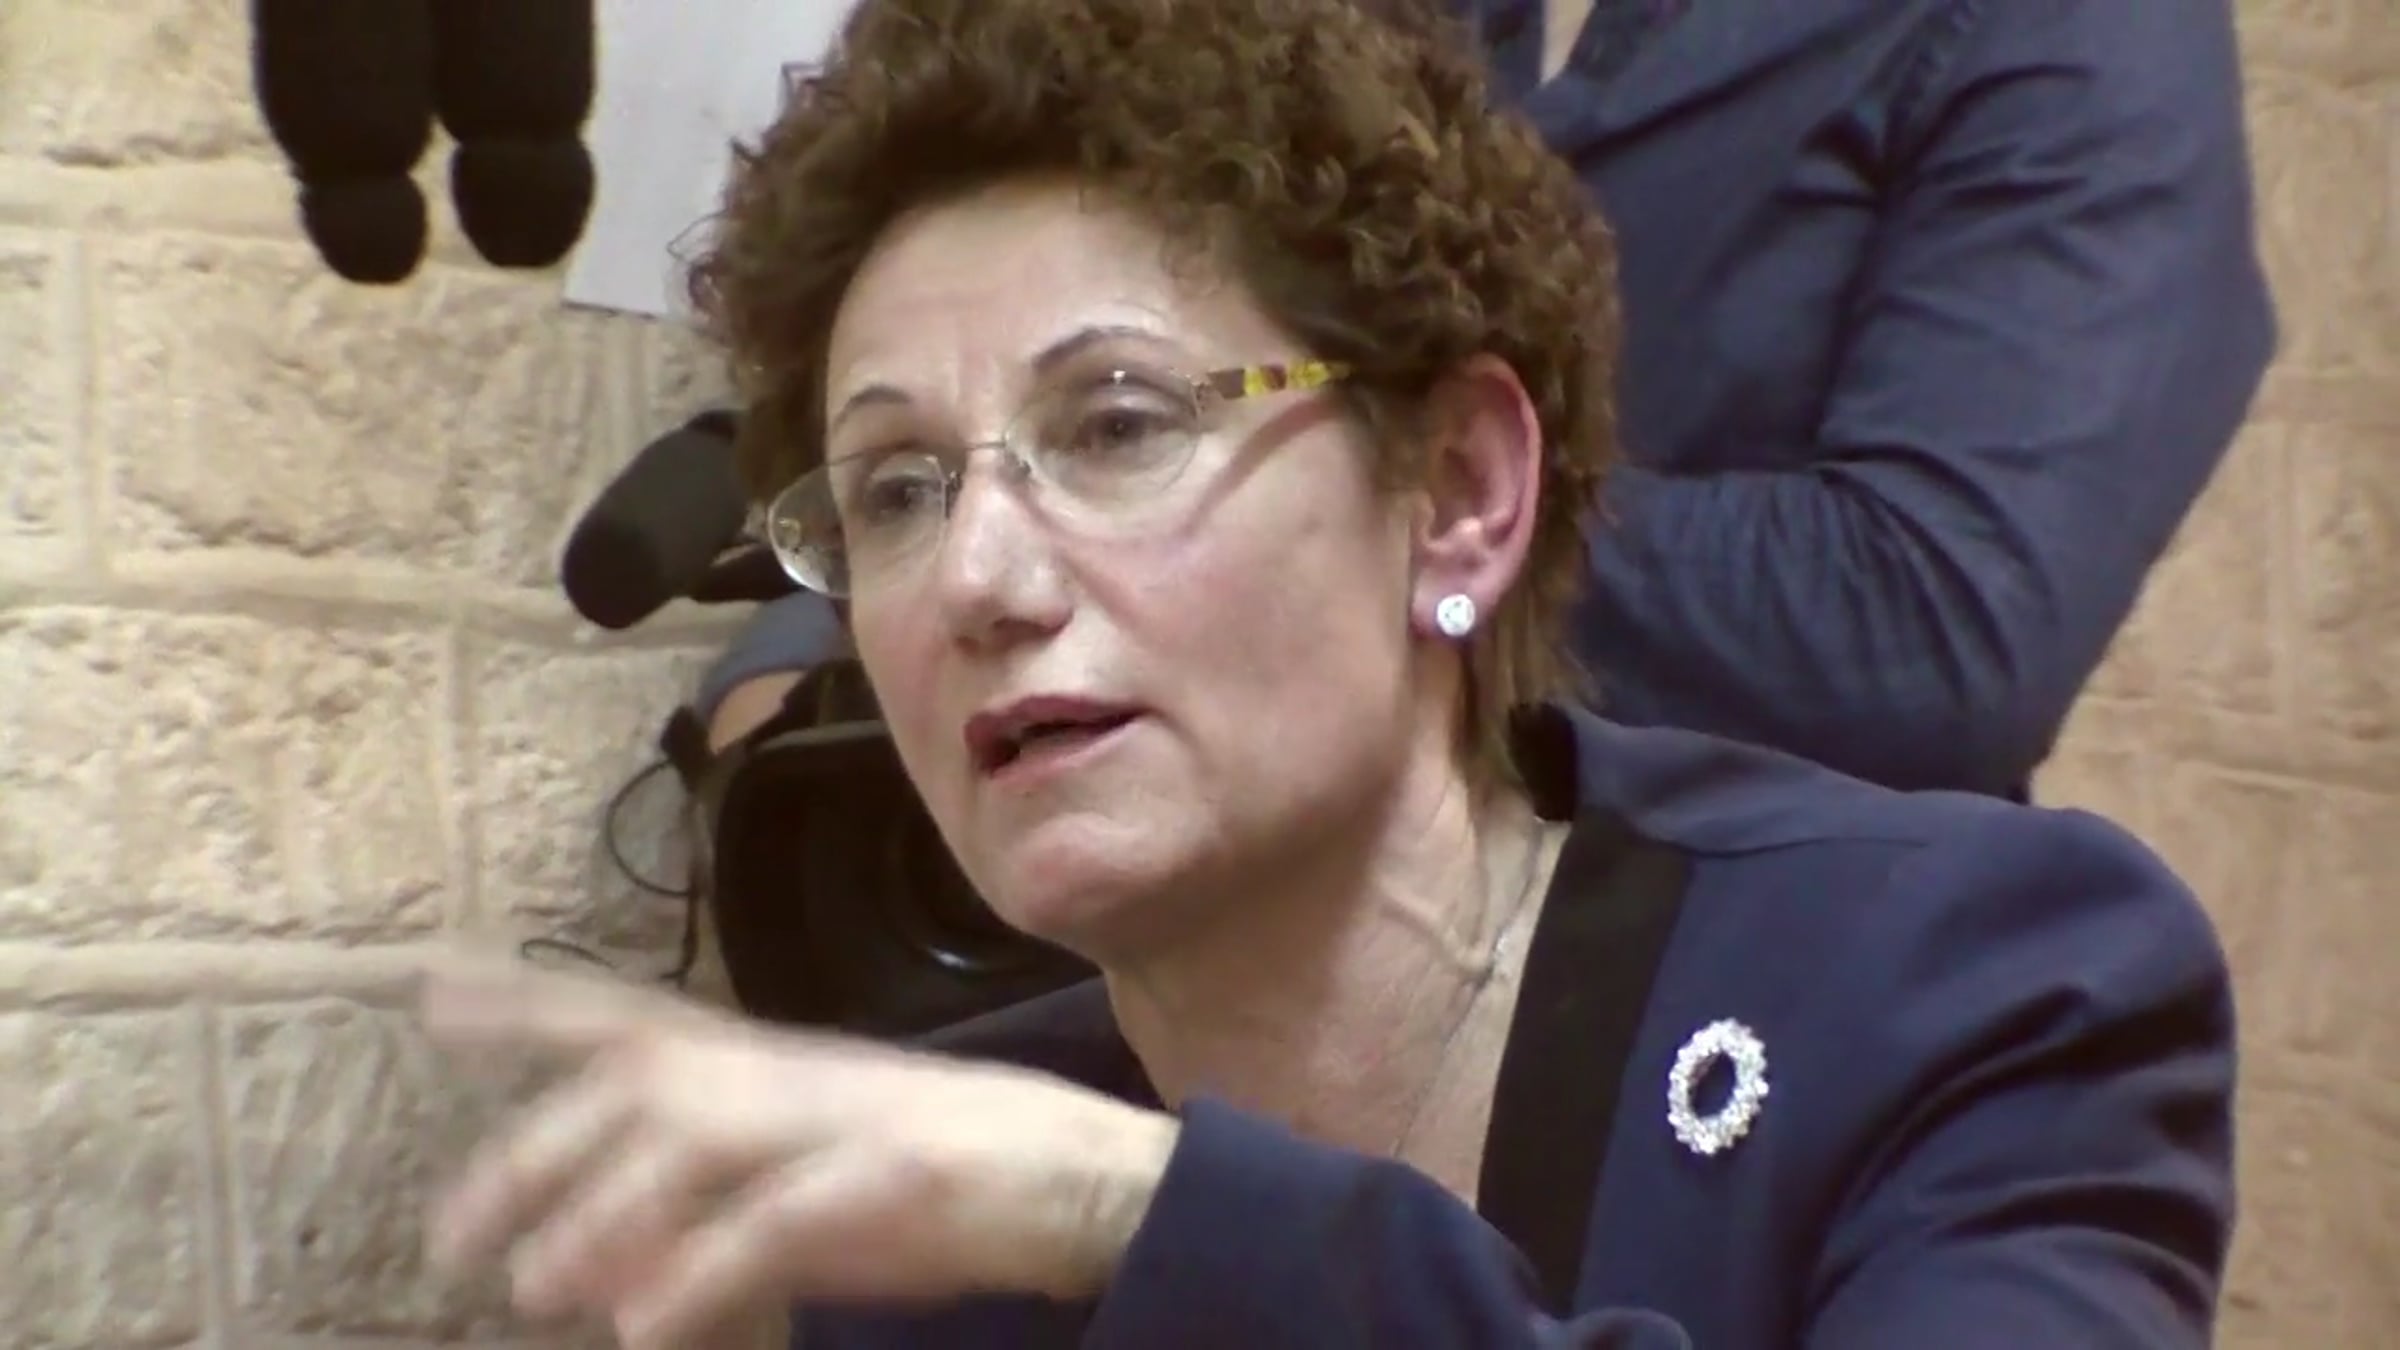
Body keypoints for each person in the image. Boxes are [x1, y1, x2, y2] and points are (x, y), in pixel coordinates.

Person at [417, 2, 2239, 1347]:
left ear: (1459, 496)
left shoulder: (1979, 998)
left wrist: (1137, 1216)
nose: (974, 579)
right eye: (897, 488)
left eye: (1118, 423)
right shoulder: (929, 1229)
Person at [692, 0, 2274, 797]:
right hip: (1137, 983)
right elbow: (927, 281)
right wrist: (789, 667)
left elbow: (1938, 630)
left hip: (1710, 1019)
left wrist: (1341, 488)